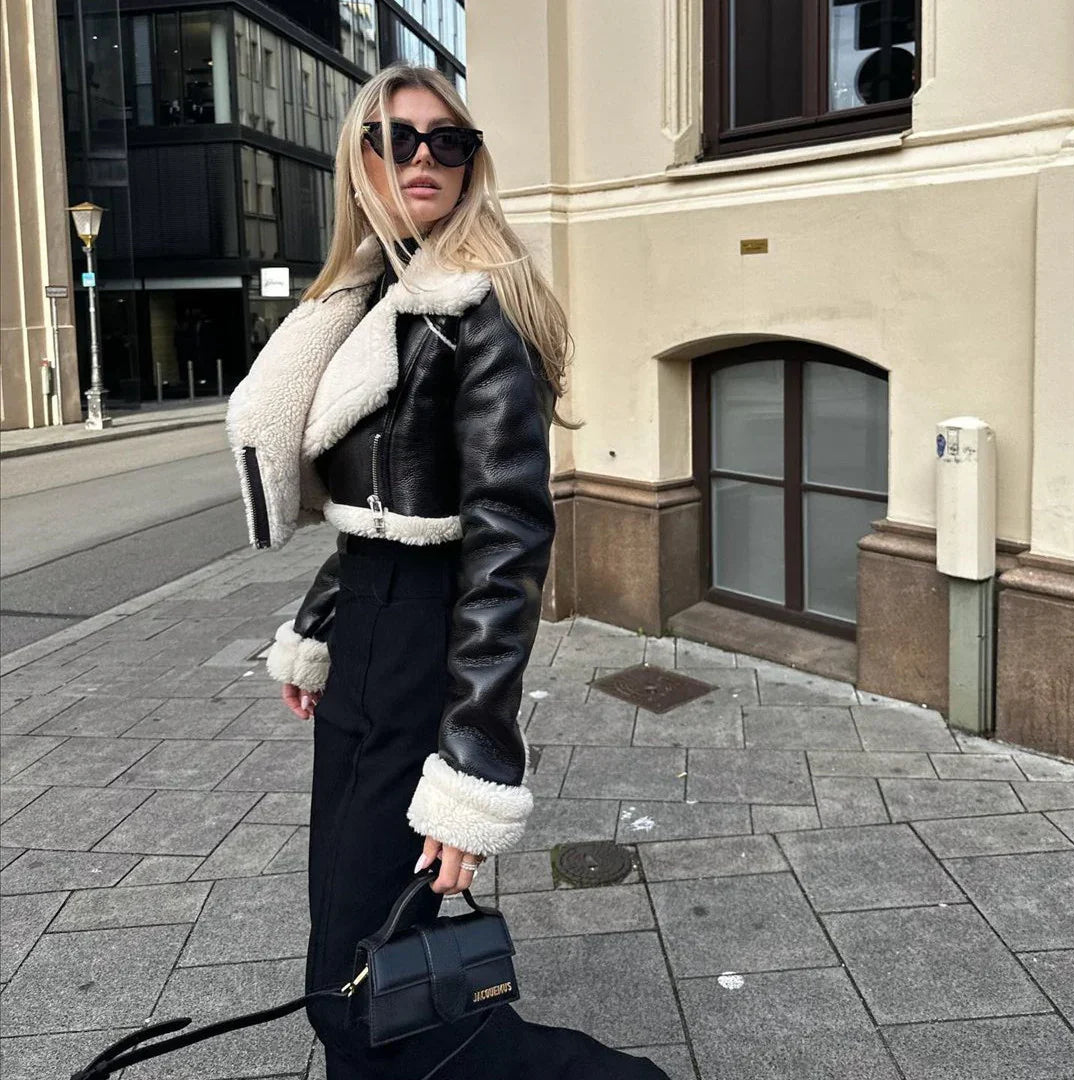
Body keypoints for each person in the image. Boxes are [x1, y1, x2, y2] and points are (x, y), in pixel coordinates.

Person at [225, 64, 670, 1080]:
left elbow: (506, 548)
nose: (424, 157)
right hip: (367, 649)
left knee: (362, 976)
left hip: (431, 655)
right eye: (396, 137)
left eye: (448, 141)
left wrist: (473, 767)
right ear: (359, 159)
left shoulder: (477, 313)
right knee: (348, 949)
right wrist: (318, 624)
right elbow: (379, 514)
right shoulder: (362, 304)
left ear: (473, 164)